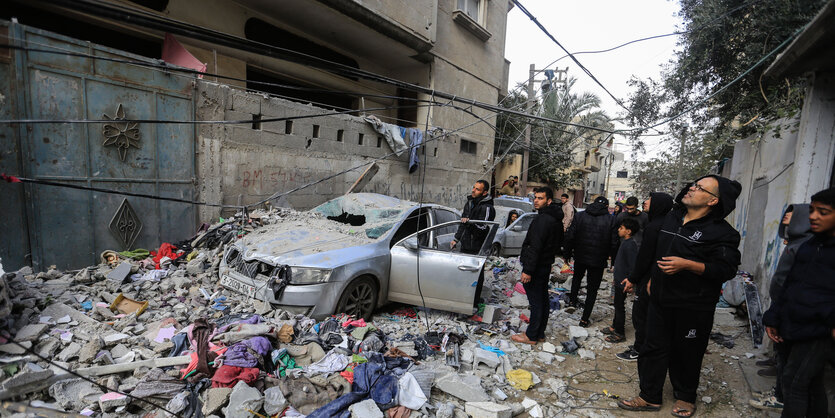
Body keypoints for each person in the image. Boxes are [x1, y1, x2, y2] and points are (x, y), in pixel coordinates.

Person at [618, 175, 741, 418]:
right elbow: (660, 254)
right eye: (693, 184)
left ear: (713, 200)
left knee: (687, 352)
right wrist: (653, 278)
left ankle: (685, 397)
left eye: (699, 188)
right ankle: (649, 396)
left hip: (693, 305)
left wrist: (689, 265)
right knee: (652, 347)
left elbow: (726, 270)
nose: (691, 189)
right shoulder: (672, 219)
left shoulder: (723, 233)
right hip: (660, 299)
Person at [762, 187, 835, 418]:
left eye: (823, 212)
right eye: (812, 210)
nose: (813, 216)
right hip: (795, 323)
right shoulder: (810, 246)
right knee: (810, 384)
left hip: (818, 330)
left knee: (794, 382)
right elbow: (789, 285)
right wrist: (774, 317)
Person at [750, 203, 812, 411]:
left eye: (792, 214)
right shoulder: (796, 243)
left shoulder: (806, 245)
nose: (786, 216)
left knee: (791, 363)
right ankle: (779, 394)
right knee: (783, 356)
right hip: (783, 309)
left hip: (792, 312)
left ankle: (781, 399)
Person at [617, 192, 674, 361]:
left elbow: (645, 256)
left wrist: (633, 278)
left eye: (650, 200)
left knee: (640, 315)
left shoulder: (654, 226)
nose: (646, 202)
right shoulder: (667, 224)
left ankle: (639, 349)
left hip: (649, 278)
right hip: (656, 277)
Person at [511, 186, 564, 345]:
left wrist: (528, 270)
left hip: (536, 266)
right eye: (535, 197)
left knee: (536, 301)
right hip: (545, 264)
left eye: (540, 198)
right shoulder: (554, 219)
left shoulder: (543, 220)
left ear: (548, 201)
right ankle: (539, 333)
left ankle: (531, 335)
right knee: (542, 299)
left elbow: (535, 247)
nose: (536, 200)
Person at [564, 196, 618, 327]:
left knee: (577, 278)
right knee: (592, 289)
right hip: (598, 260)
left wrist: (567, 254)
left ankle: (572, 301)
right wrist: (613, 262)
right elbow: (614, 242)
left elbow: (570, 236)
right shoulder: (611, 220)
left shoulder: (580, 216)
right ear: (606, 207)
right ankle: (584, 319)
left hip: (580, 255)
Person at [601, 218, 640, 343]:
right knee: (617, 304)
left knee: (619, 306)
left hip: (623, 282)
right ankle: (614, 326)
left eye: (621, 228)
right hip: (618, 280)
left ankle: (619, 333)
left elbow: (633, 265)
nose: (619, 229)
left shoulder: (631, 245)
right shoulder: (625, 242)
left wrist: (629, 281)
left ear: (628, 231)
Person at [451, 180, 495, 254]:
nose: (473, 190)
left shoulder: (487, 207)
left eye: (477, 189)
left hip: (478, 249)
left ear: (484, 193)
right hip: (465, 246)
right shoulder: (469, 203)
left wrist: (470, 222)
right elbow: (463, 223)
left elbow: (483, 227)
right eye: (474, 188)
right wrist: (456, 239)